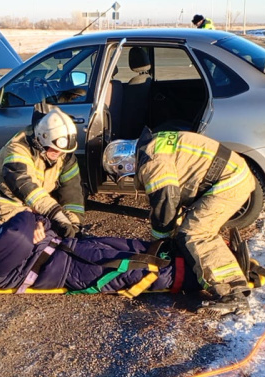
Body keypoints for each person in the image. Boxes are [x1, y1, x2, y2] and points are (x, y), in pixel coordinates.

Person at [103, 130, 256, 316]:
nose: (128, 179)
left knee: (195, 233)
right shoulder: (153, 145)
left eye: (124, 174)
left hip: (229, 182)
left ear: (124, 165)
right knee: (187, 231)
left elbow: (165, 201)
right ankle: (220, 271)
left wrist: (162, 240)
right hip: (230, 174)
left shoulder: (151, 162)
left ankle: (233, 292)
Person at [0, 211, 201, 295]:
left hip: (71, 250)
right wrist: (30, 220)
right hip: (73, 268)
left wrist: (37, 223)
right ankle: (198, 277)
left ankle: (195, 254)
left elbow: (33, 223)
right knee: (139, 270)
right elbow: (17, 230)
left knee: (140, 248)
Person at [0, 106, 84, 239]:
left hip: (38, 202)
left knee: (50, 236)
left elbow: (72, 192)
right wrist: (56, 214)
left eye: (63, 151)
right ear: (42, 141)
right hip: (10, 200)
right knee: (16, 238)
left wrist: (74, 224)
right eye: (55, 149)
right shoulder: (18, 148)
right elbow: (23, 184)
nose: (59, 154)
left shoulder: (65, 155)